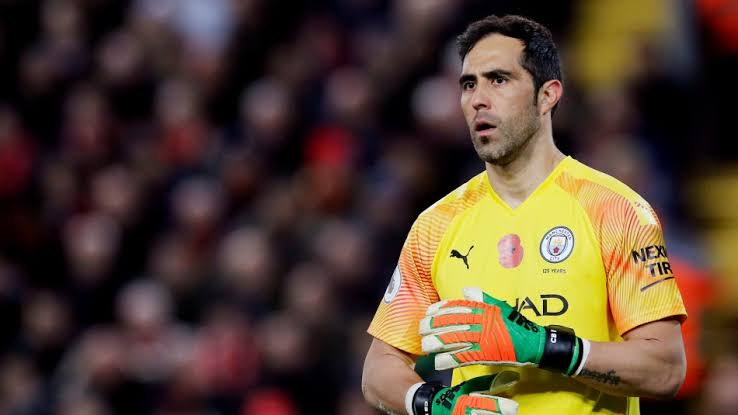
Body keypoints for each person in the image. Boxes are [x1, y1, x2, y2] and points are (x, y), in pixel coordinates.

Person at [362, 15, 687, 415]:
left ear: (547, 95)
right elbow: (378, 369)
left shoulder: (616, 210)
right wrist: (432, 402)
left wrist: (544, 347)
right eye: (469, 84)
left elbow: (665, 370)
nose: (478, 99)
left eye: (498, 80)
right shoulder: (436, 225)